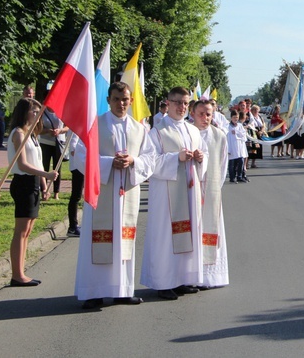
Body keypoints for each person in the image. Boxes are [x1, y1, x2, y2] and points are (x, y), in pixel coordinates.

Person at [75, 82, 156, 309]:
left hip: (127, 191)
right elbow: (82, 155)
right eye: (117, 99)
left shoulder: (140, 129)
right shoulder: (95, 125)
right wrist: (110, 162)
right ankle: (93, 292)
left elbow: (150, 158)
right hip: (101, 192)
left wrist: (133, 161)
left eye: (125, 99)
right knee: (99, 238)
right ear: (109, 100)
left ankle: (122, 290)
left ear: (131, 101)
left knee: (124, 240)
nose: (121, 103)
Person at [142, 87, 207, 300]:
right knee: (165, 237)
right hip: (166, 195)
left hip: (189, 191)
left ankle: (181, 279)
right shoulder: (157, 132)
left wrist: (199, 158)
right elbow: (150, 163)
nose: (181, 107)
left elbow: (204, 157)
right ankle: (163, 282)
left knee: (187, 233)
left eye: (185, 103)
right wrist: (174, 158)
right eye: (177, 102)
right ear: (168, 103)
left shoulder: (193, 130)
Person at [6, 98, 59, 287]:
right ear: (24, 112)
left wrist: (44, 183)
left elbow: (37, 161)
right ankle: (17, 275)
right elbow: (22, 164)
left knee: (27, 230)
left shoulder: (32, 135)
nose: (37, 115)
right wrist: (45, 174)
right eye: (34, 111)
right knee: (21, 230)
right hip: (23, 183)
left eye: (38, 112)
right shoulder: (18, 134)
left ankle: (21, 270)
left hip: (34, 182)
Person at [191, 100, 229, 288]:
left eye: (209, 114)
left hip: (211, 191)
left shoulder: (220, 136)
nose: (205, 118)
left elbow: (222, 165)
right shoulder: (188, 133)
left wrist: (213, 188)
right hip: (191, 190)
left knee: (209, 229)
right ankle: (190, 275)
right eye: (201, 114)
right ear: (193, 113)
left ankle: (210, 276)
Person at [39, 106, 67, 200]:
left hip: (58, 144)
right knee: (44, 167)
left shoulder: (61, 110)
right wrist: (47, 131)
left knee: (57, 168)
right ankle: (44, 191)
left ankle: (56, 193)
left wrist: (60, 131)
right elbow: (37, 129)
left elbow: (68, 126)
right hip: (45, 143)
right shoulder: (42, 111)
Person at [66, 130, 82, 237]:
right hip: (78, 167)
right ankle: (72, 227)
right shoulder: (75, 130)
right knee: (76, 196)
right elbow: (73, 149)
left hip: (85, 167)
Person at [226, 110, 248, 183]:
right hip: (232, 147)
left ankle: (239, 176)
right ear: (231, 117)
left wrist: (237, 132)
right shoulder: (228, 127)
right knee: (232, 163)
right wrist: (228, 150)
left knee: (240, 162)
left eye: (237, 117)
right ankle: (232, 177)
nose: (236, 119)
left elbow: (243, 135)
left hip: (239, 147)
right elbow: (226, 138)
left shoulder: (240, 125)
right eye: (234, 117)